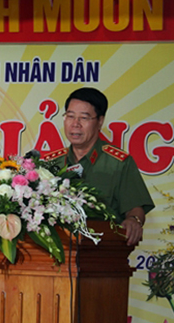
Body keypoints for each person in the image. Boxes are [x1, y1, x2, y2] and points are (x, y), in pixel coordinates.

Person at [43, 87, 154, 246]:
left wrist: (133, 220)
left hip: (104, 249)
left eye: (84, 118)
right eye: (70, 116)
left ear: (100, 121)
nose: (75, 124)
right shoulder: (50, 164)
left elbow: (135, 208)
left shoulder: (118, 163)